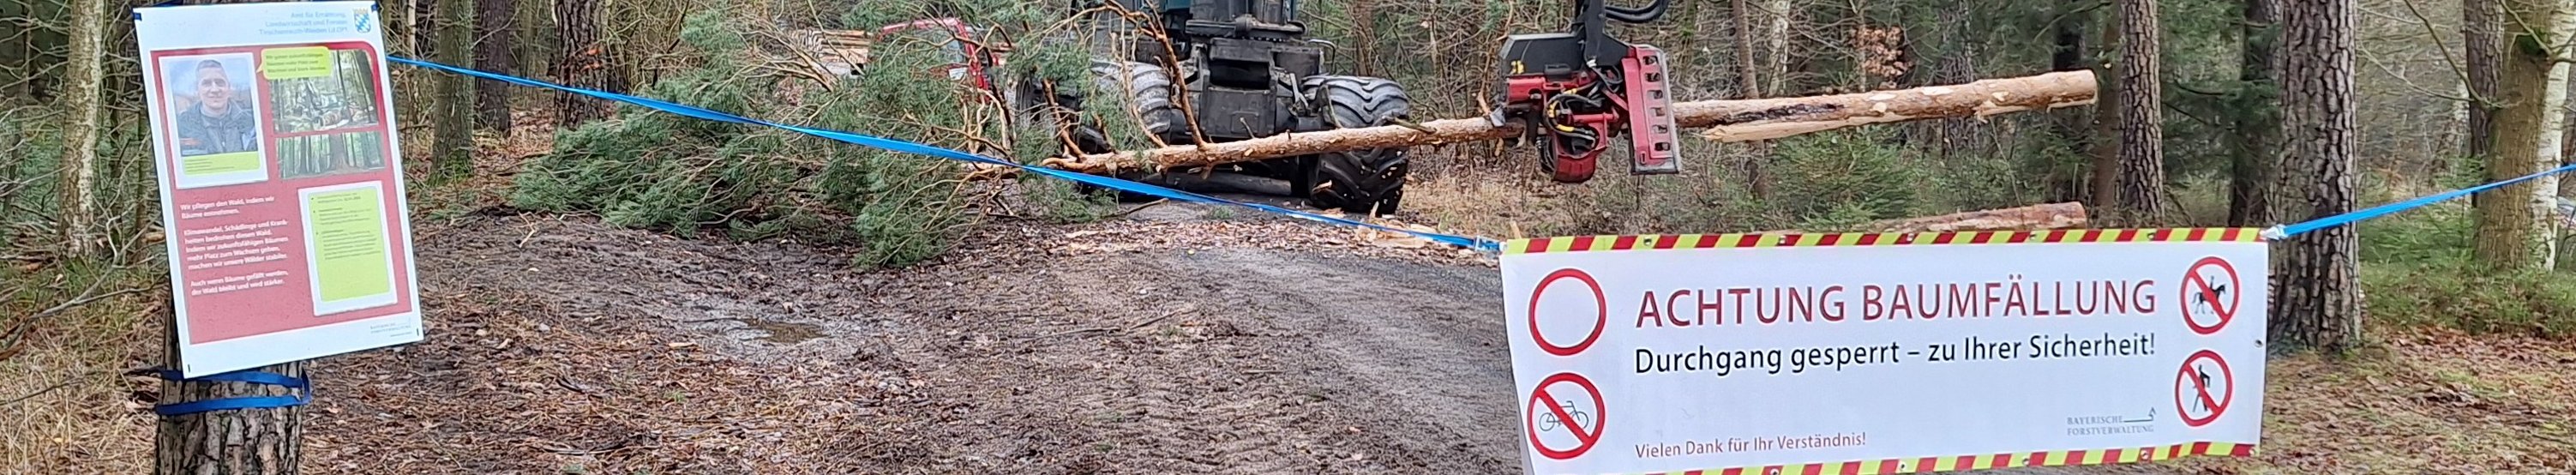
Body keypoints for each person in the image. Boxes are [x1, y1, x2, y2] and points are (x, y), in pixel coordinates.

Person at [173, 59, 259, 156]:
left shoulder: (252, 123)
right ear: (197, 89)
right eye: (206, 83)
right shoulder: (181, 126)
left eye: (220, 83)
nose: (214, 89)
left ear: (229, 88)